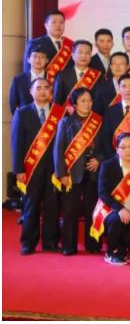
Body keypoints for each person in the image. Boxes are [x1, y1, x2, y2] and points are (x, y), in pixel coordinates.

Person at [12, 77, 61, 254]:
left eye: (46, 87)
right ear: (31, 92)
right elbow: (17, 143)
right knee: (31, 206)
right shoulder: (22, 113)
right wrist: (18, 170)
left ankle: (50, 241)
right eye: (38, 88)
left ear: (51, 91)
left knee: (52, 206)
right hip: (31, 168)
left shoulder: (59, 113)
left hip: (54, 169)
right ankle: (28, 242)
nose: (42, 91)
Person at [54, 88, 104, 255]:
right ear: (74, 104)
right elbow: (58, 149)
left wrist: (99, 159)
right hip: (71, 172)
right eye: (83, 101)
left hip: (93, 171)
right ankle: (68, 245)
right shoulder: (65, 122)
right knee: (70, 211)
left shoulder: (98, 121)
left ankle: (93, 244)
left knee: (92, 210)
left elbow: (106, 146)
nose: (87, 104)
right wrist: (61, 173)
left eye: (89, 100)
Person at [92, 132, 130, 265]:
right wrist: (120, 208)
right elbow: (103, 192)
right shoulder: (108, 165)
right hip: (110, 209)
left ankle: (124, 246)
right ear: (117, 149)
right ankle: (111, 252)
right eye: (123, 147)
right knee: (118, 220)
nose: (128, 150)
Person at [99, 74, 130, 161]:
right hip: (115, 158)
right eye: (124, 86)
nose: (127, 89)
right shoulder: (110, 111)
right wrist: (114, 157)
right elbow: (106, 137)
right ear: (119, 89)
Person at [52, 39, 102, 107]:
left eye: (87, 53)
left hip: (91, 113)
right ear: (73, 55)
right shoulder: (62, 75)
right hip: (68, 113)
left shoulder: (98, 76)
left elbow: (100, 102)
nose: (83, 56)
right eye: (80, 52)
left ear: (91, 56)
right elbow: (57, 102)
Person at [9, 42, 49, 114]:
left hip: (48, 119)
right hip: (25, 119)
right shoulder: (18, 80)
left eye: (42, 57)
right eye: (35, 56)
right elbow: (13, 105)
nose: (38, 60)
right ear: (28, 59)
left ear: (47, 60)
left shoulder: (53, 78)